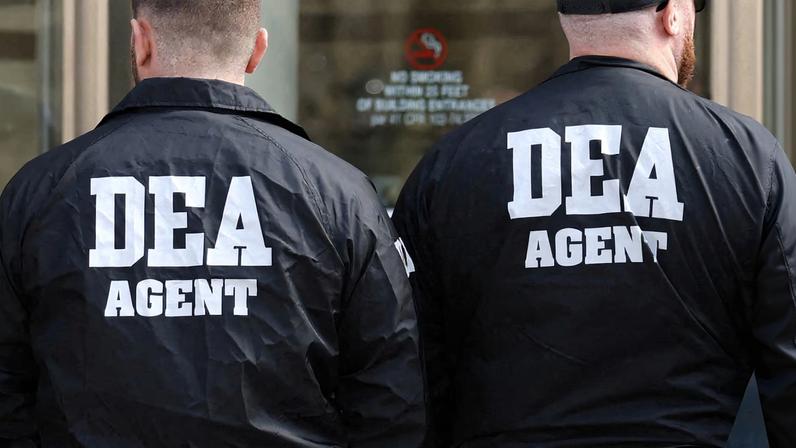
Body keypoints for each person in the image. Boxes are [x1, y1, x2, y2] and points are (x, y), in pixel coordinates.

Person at [0, 1, 425, 446]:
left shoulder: (42, 190)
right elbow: (390, 394)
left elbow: (8, 388)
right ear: (257, 50)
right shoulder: (337, 192)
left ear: (140, 41)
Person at [392, 0, 796, 446]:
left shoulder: (454, 163)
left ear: (566, 20)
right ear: (673, 14)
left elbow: (412, 370)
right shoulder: (747, 157)